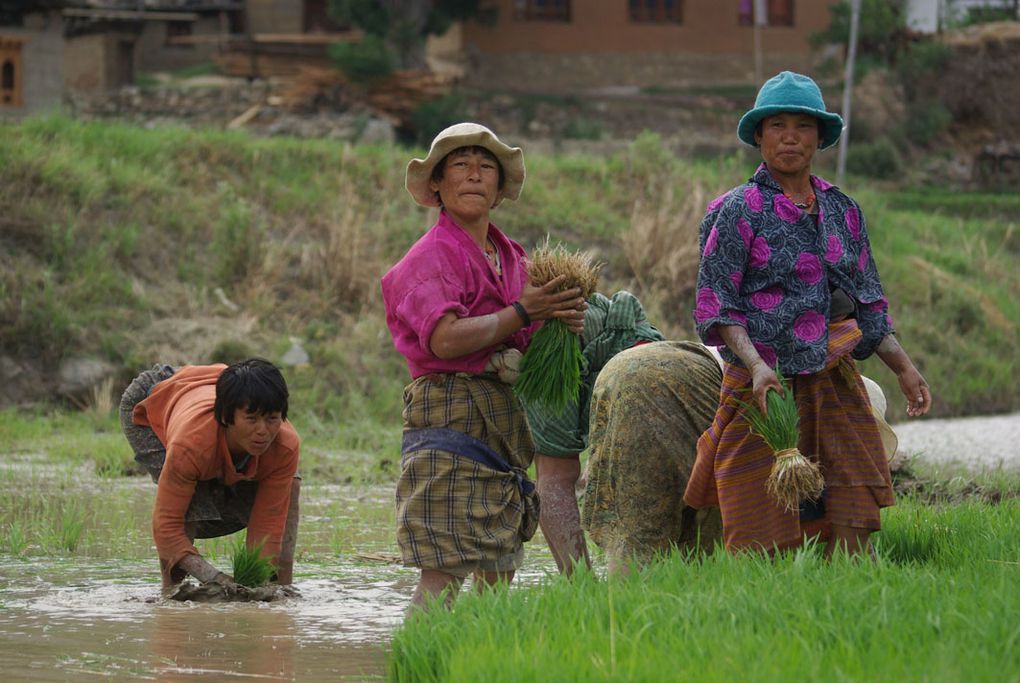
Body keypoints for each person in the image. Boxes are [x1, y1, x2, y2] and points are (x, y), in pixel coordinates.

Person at [684, 71, 931, 557]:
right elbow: (717, 305)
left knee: (852, 500)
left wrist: (903, 367)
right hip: (764, 388)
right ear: (758, 136)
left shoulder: (844, 211)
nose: (790, 136)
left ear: (821, 137)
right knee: (758, 514)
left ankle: (848, 587)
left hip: (834, 377)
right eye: (777, 125)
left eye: (803, 125)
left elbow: (869, 302)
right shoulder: (736, 211)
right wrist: (756, 365)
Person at [381, 122, 586, 610]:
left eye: (486, 167)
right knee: (445, 565)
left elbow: (527, 335)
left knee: (500, 561)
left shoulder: (514, 257)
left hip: (506, 422)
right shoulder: (428, 258)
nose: (474, 175)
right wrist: (523, 312)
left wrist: (560, 322)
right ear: (436, 185)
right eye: (460, 165)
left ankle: (481, 659)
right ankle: (418, 662)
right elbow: (446, 339)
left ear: (498, 189)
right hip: (449, 417)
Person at [582, 341, 900, 574]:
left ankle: (615, 624)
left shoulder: (784, 378)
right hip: (673, 381)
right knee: (654, 545)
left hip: (621, 367)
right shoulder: (788, 415)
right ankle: (634, 631)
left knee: (635, 533)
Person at [119, 358, 301, 594]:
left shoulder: (284, 445)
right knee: (193, 502)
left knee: (291, 484)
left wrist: (261, 589)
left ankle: (283, 587)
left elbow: (267, 525)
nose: (263, 431)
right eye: (252, 419)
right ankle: (171, 593)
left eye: (272, 419)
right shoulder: (192, 444)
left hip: (210, 385)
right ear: (227, 417)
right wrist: (217, 579)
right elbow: (167, 526)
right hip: (152, 396)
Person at [524, 290, 663, 575]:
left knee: (555, 474)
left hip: (575, 341)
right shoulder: (611, 319)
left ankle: (583, 582)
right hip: (641, 361)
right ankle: (598, 582)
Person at [582, 341, 724, 575]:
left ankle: (621, 601)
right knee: (702, 514)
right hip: (673, 379)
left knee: (629, 524)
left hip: (617, 368)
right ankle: (631, 603)